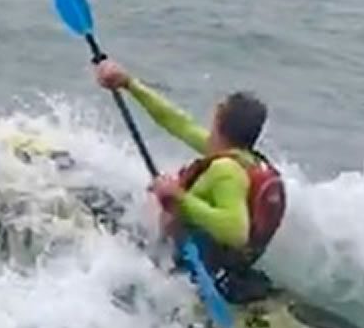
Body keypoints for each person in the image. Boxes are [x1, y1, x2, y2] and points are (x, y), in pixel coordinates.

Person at [93, 59, 286, 295]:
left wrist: (179, 197)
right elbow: (177, 122)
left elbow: (236, 232)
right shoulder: (242, 158)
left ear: (219, 120)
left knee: (97, 209)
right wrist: (128, 84)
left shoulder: (226, 170)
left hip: (189, 268)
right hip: (216, 263)